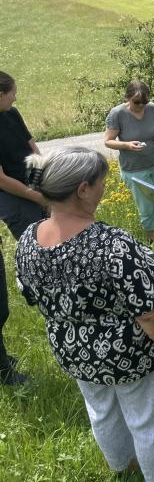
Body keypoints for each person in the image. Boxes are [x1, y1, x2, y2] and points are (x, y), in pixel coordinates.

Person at [14, 147, 154, 482]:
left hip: (76, 353)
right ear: (83, 189)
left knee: (102, 414)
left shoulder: (28, 239)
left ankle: (124, 470)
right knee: (149, 425)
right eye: (100, 182)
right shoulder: (114, 246)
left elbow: (29, 295)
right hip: (132, 356)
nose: (104, 187)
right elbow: (150, 313)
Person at [0, 71, 48, 386]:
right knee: (38, 245)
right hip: (12, 196)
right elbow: (1, 179)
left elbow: (32, 149)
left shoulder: (12, 114)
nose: (15, 98)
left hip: (33, 182)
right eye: (11, 93)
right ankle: (44, 296)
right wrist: (35, 196)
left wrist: (48, 179)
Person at [105, 80, 154, 244]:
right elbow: (108, 141)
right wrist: (126, 145)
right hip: (134, 169)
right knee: (146, 205)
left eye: (144, 102)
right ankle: (151, 234)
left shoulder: (151, 108)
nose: (141, 105)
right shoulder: (117, 113)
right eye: (136, 102)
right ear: (127, 98)